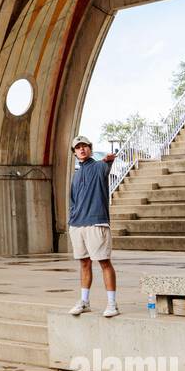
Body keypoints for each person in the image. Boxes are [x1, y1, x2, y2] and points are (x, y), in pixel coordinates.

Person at [66, 136, 120, 317]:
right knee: (84, 263)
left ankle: (112, 304)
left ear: (90, 148)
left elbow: (107, 163)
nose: (82, 150)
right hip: (77, 224)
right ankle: (84, 301)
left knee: (104, 262)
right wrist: (72, 218)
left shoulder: (98, 166)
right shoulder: (76, 174)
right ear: (74, 152)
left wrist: (108, 160)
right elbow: (73, 200)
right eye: (78, 148)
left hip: (96, 222)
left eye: (85, 146)